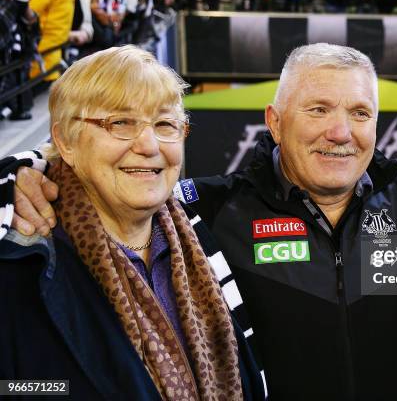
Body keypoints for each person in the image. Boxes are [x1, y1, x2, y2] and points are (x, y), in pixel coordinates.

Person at [4, 43, 397, 399]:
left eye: (359, 112)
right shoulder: (210, 211)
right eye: (318, 109)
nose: (341, 131)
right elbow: (122, 185)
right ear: (274, 121)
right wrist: (35, 174)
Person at [0, 46, 265, 400]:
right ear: (64, 140)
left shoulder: (201, 230)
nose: (149, 144)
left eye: (165, 124)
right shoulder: (20, 262)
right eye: (120, 123)